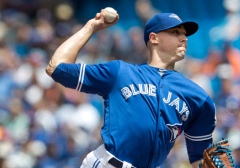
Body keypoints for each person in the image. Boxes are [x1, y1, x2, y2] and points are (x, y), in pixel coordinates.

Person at [46, 8, 216, 168]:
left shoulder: (198, 96)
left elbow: (201, 158)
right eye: (175, 32)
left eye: (185, 34)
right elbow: (56, 67)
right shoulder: (120, 72)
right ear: (154, 38)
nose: (184, 38)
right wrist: (91, 27)